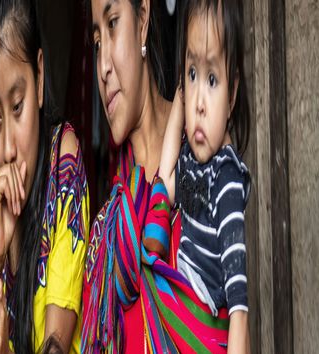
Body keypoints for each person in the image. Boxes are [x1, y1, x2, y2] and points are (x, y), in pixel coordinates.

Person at [82, 0, 233, 353]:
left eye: (113, 23)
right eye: (96, 41)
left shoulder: (207, 160)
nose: (102, 67)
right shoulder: (107, 238)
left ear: (143, 20)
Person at [0, 1, 90, 353]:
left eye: (17, 107)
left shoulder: (63, 161)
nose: (7, 149)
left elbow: (55, 346)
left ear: (39, 73)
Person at [159, 0, 251, 352]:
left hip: (198, 326)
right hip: (177, 312)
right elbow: (163, 183)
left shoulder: (225, 177)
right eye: (191, 74)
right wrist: (180, 102)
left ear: (232, 95)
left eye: (212, 79)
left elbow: (239, 305)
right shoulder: (189, 160)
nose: (198, 101)